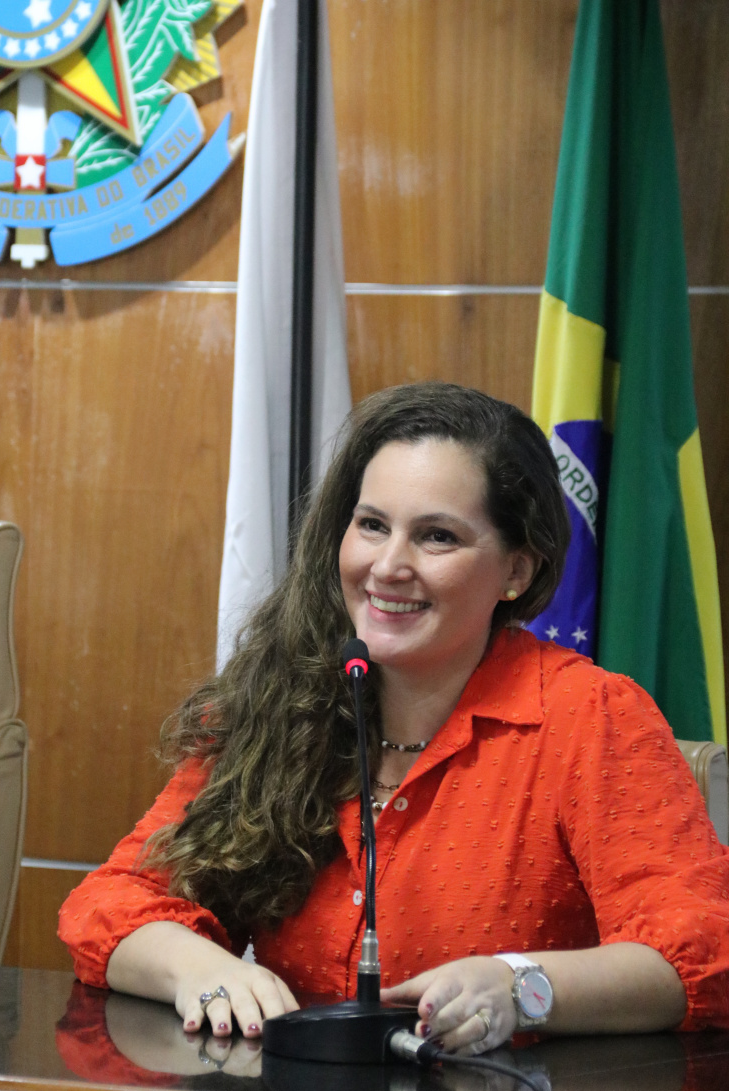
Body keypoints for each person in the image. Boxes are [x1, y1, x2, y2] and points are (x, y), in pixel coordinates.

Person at [59, 382, 729, 1053]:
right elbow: (109, 904)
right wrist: (202, 970)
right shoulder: (276, 700)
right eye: (372, 525)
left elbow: (704, 951)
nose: (387, 566)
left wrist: (520, 985)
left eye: (437, 537)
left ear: (517, 571)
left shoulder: (591, 718)